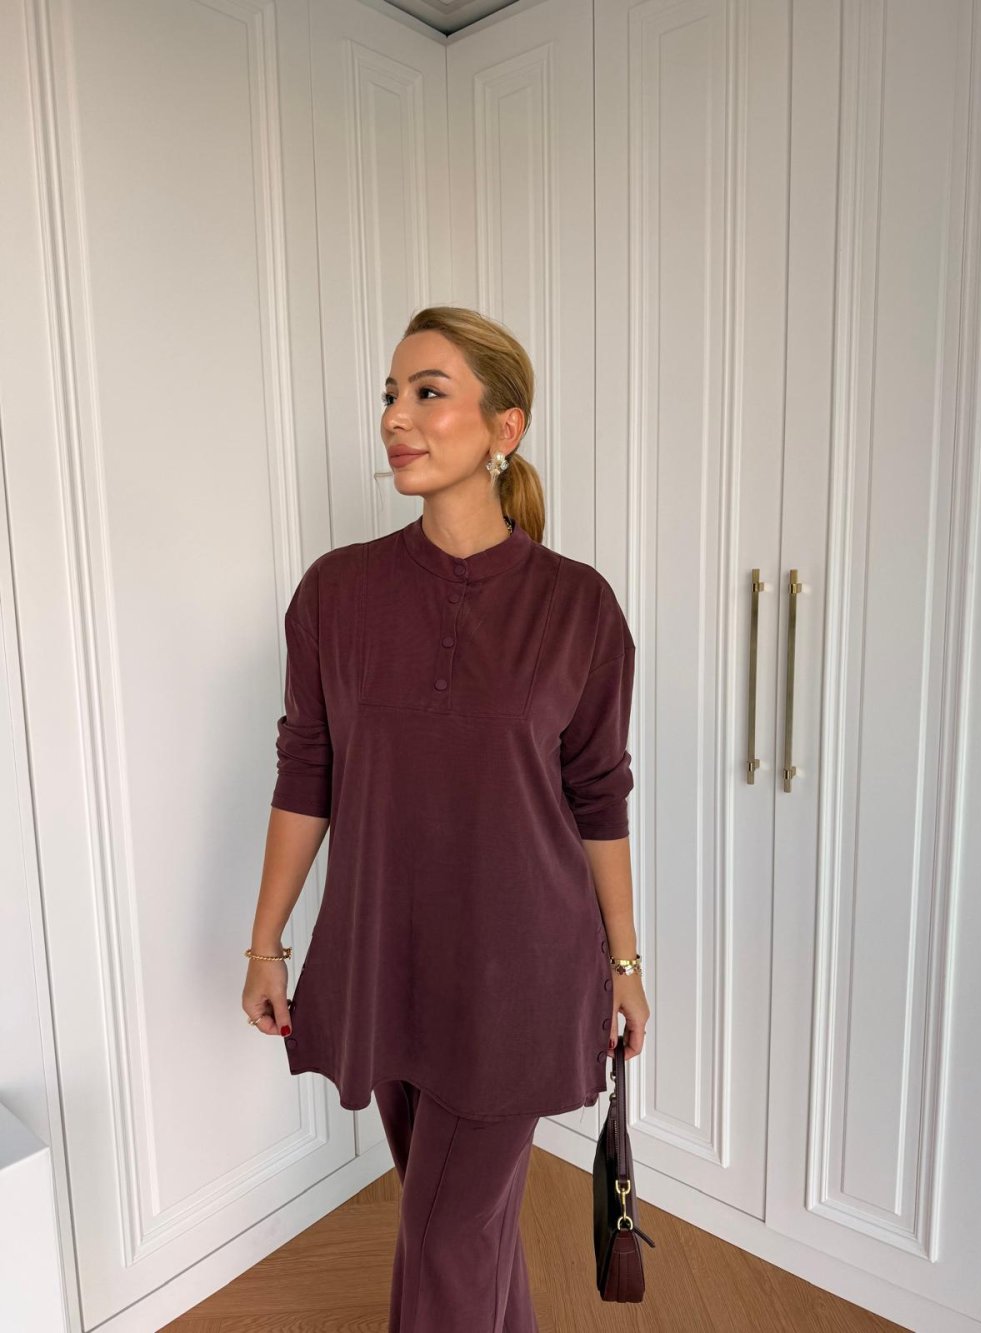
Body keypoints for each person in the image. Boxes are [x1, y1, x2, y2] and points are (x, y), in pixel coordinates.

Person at [242, 306, 650, 1332]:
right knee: (465, 1233)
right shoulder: (335, 593)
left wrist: (625, 963)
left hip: (521, 973)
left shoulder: (578, 607)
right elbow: (306, 771)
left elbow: (599, 794)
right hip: (384, 959)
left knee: (442, 1242)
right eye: (391, 394)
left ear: (504, 428)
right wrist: (265, 943)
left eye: (429, 393)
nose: (396, 417)